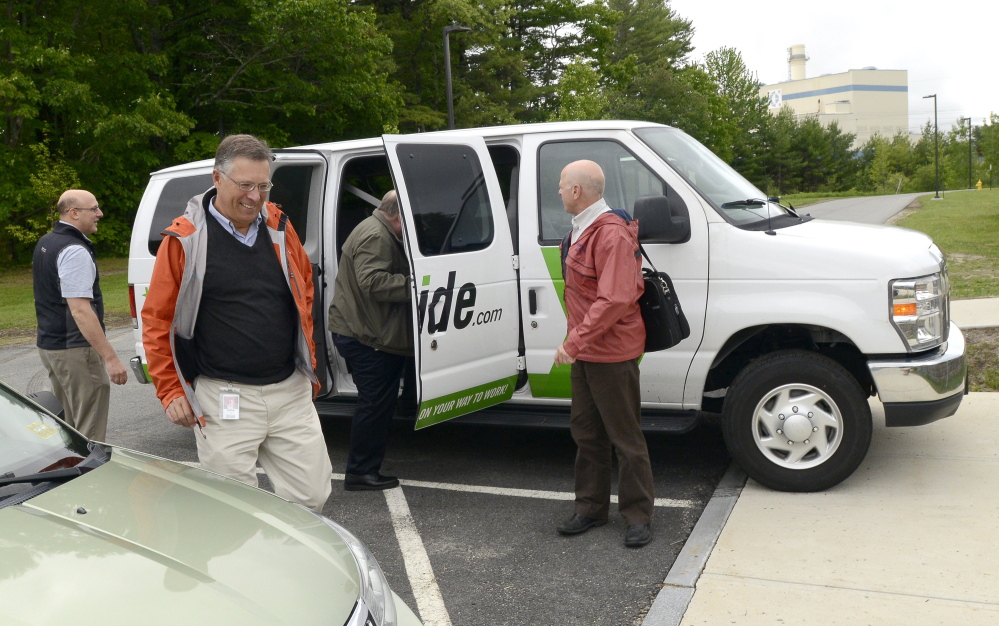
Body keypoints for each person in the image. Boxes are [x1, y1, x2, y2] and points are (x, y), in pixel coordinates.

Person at [141, 134, 332, 512]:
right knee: (233, 509)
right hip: (223, 396)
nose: (254, 196)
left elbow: (304, 290)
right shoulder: (184, 240)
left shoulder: (279, 226)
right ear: (217, 178)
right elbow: (157, 319)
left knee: (311, 497)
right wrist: (170, 390)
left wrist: (307, 362)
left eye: (263, 185)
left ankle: (286, 567)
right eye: (244, 185)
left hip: (289, 390)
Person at [553, 160, 655, 548]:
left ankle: (638, 517)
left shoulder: (608, 233)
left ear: (577, 191)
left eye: (562, 186)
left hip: (611, 354)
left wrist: (572, 343)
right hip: (588, 352)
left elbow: (614, 299)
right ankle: (590, 508)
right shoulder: (583, 228)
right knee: (587, 433)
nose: (559, 192)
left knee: (625, 438)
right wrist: (577, 344)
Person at [329, 190, 413, 491]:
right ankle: (361, 472)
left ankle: (363, 468)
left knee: (378, 403)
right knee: (374, 405)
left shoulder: (375, 228)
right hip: (366, 336)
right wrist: (418, 283)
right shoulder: (377, 235)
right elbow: (373, 283)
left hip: (366, 331)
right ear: (398, 216)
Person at [33, 190, 128, 441]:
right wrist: (110, 358)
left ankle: (71, 471)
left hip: (51, 346)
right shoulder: (74, 250)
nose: (100, 214)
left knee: (70, 427)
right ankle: (89, 477)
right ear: (74, 213)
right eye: (94, 209)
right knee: (89, 431)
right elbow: (80, 309)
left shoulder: (47, 241)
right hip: (76, 350)